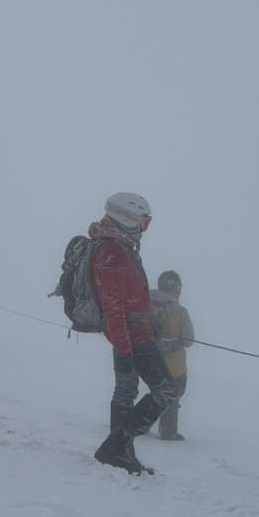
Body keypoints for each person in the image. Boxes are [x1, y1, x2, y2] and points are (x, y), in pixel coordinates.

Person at [89, 192, 178, 474]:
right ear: (126, 217)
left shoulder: (121, 246)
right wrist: (126, 350)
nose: (144, 227)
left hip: (133, 333)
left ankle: (120, 451)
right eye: (143, 220)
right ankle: (117, 445)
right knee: (166, 390)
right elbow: (113, 306)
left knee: (126, 391)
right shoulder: (112, 251)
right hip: (130, 336)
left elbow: (127, 300)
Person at [150, 270, 195, 440]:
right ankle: (168, 431)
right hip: (175, 366)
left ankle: (140, 422)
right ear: (176, 288)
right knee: (174, 395)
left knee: (156, 393)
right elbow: (189, 340)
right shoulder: (180, 311)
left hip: (150, 361)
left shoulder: (147, 304)